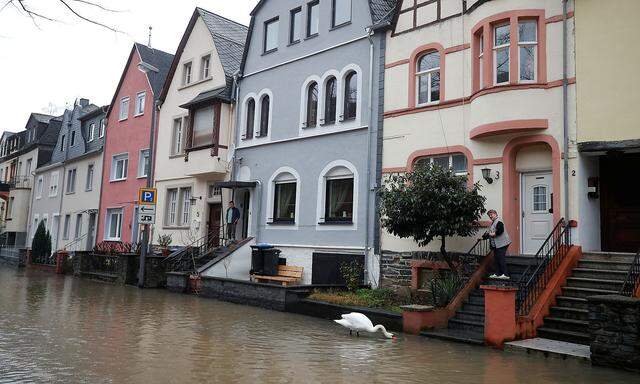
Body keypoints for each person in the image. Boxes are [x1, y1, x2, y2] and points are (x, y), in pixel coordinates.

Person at [483, 209, 511, 280]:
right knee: (496, 259)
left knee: (501, 258)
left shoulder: (499, 221)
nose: (490, 216)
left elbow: (500, 231)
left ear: (495, 214)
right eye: (489, 215)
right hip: (496, 245)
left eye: (491, 214)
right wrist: (486, 235)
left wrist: (492, 234)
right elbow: (492, 232)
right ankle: (498, 273)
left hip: (502, 243)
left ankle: (505, 274)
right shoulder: (493, 222)